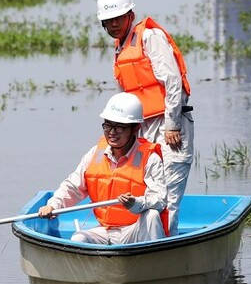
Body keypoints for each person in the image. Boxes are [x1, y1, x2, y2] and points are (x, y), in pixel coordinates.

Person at [95, 0, 194, 237]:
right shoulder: (120, 48)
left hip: (169, 124)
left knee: (169, 195)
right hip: (142, 128)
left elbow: (172, 81)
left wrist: (172, 125)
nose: (113, 25)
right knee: (147, 191)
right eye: (108, 21)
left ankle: (165, 250)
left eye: (117, 18)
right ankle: (139, 244)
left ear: (130, 14)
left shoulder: (149, 37)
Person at [38, 92, 166, 245]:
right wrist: (53, 205)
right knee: (78, 239)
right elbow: (72, 187)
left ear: (135, 128)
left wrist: (135, 203)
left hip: (135, 229)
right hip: (104, 230)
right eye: (108, 125)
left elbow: (159, 199)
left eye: (119, 127)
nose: (112, 132)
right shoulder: (95, 154)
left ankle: (153, 262)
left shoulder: (150, 158)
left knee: (151, 215)